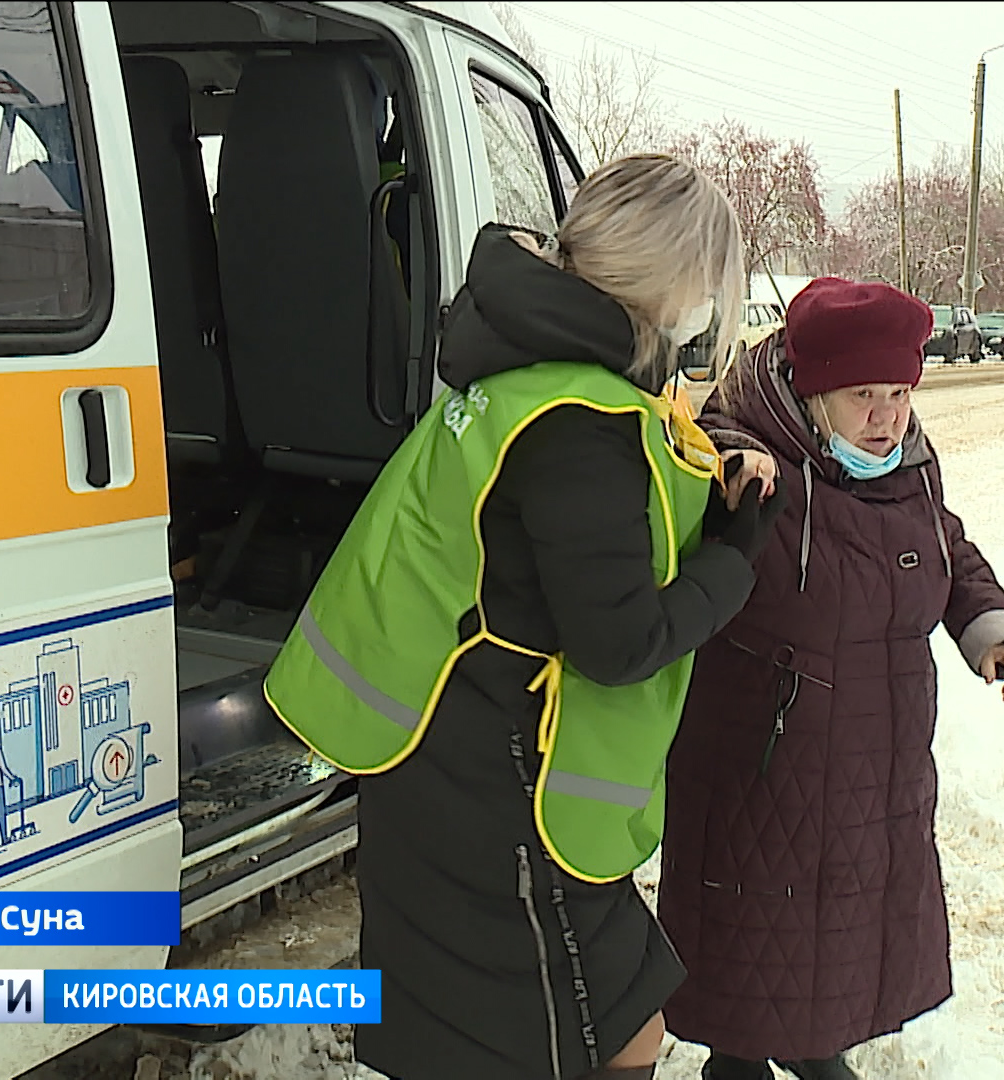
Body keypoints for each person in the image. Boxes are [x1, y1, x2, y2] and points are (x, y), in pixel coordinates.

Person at [264, 154, 784, 1080]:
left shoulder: (525, 371)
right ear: (666, 283)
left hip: (440, 745)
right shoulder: (579, 424)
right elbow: (619, 640)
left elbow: (578, 524)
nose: (709, 309)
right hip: (504, 778)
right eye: (709, 285)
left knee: (475, 1034)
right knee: (612, 1030)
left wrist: (710, 479)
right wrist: (736, 560)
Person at [658, 278, 1004, 1080]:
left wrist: (987, 624)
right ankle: (749, 1060)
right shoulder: (750, 459)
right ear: (811, 389)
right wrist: (726, 481)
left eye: (900, 393)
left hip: (878, 749)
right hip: (767, 756)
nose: (887, 415)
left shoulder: (906, 463)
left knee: (839, 927)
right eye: (864, 394)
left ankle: (799, 1048)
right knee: (762, 922)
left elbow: (945, 542)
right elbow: (688, 508)